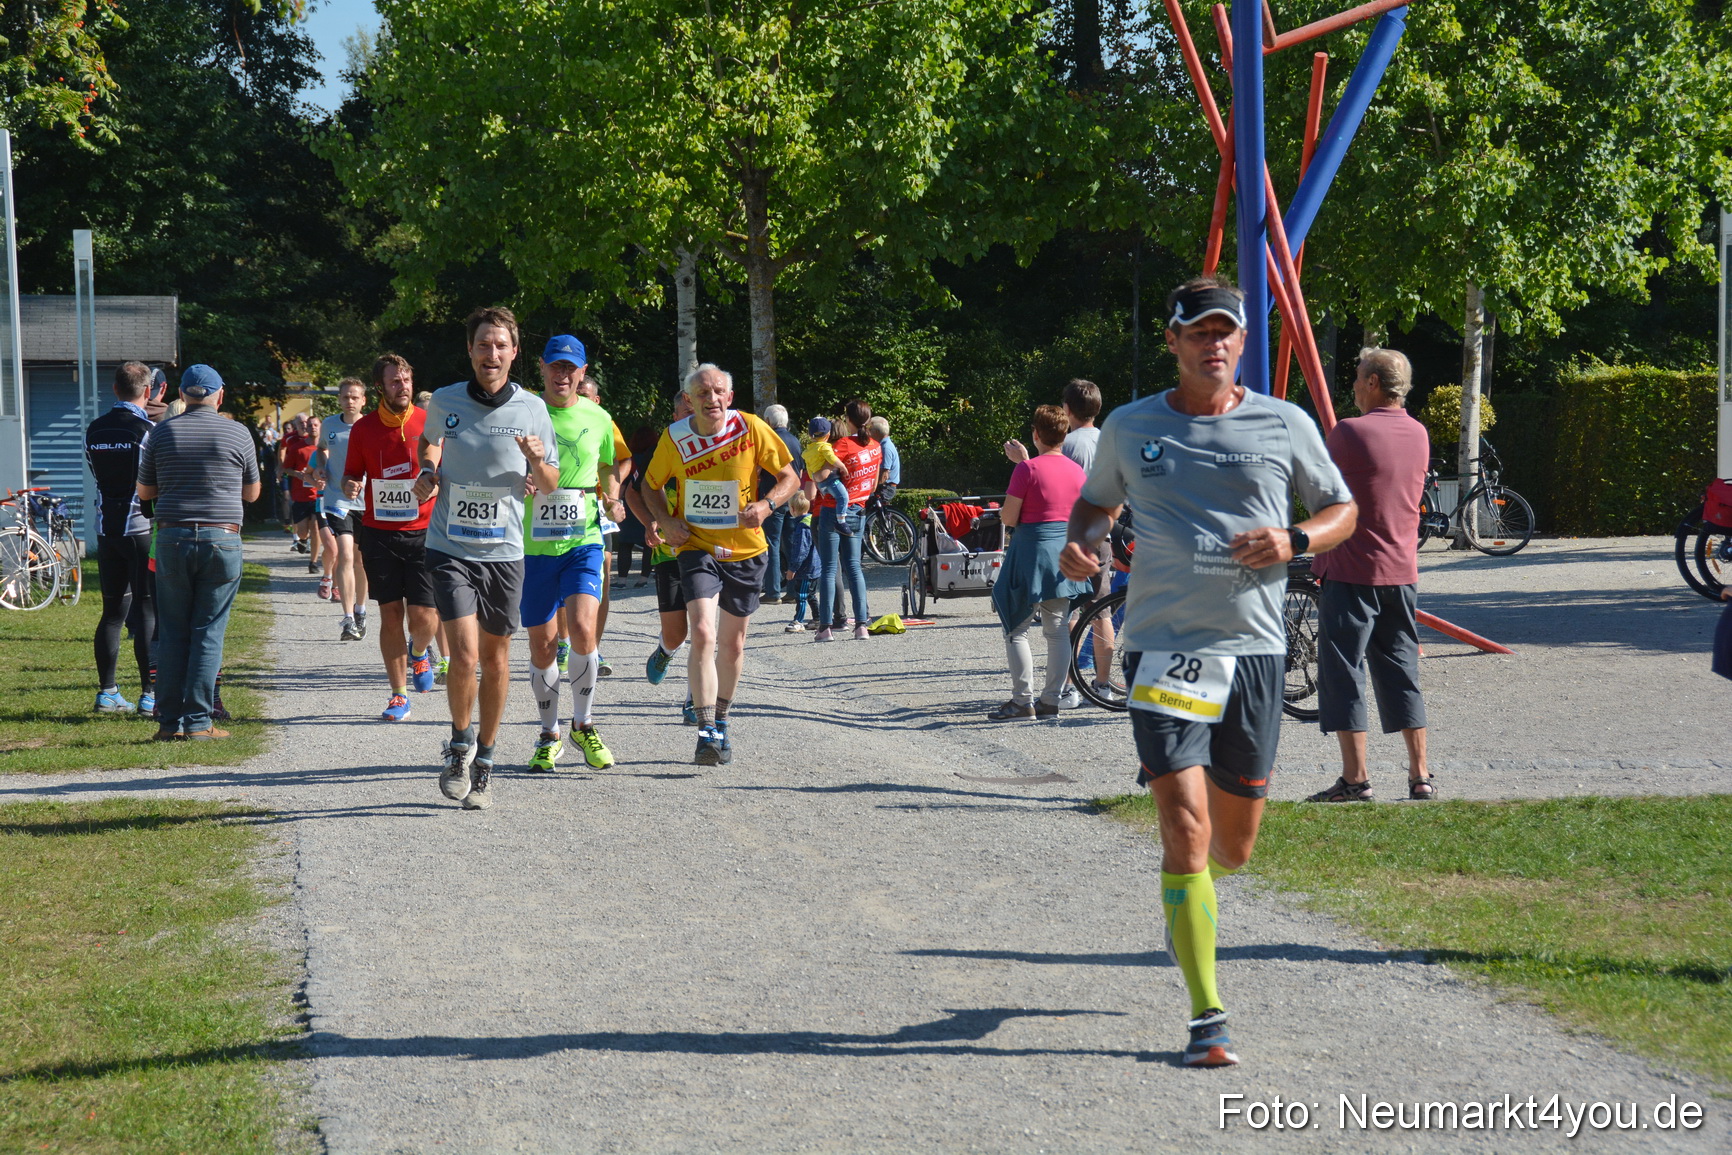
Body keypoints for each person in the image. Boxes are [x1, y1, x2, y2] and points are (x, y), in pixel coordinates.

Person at [1059, 277, 1356, 1067]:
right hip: (1164, 648)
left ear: (1242, 341)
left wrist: (1296, 539)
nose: (1214, 344)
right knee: (1183, 828)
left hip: (1254, 652)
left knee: (1234, 846)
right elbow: (1094, 506)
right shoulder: (1131, 426)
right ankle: (1207, 1013)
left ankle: (1195, 904)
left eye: (1226, 331)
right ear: (1174, 341)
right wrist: (1080, 539)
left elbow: (1342, 509)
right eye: (1199, 332)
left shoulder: (1283, 422)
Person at [413, 306, 559, 810]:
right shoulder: (447, 400)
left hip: (505, 552)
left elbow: (549, 484)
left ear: (514, 353)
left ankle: (487, 759)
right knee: (465, 655)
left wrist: (538, 461)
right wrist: (428, 473)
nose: (491, 354)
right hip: (449, 545)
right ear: (470, 351)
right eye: (482, 345)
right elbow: (431, 446)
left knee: (497, 660)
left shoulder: (533, 409)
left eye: (500, 345)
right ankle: (458, 744)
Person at [639, 364, 799, 764]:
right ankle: (706, 730)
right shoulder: (675, 437)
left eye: (718, 392)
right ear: (689, 401)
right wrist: (666, 520)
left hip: (745, 550)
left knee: (733, 644)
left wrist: (766, 505)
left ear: (729, 397)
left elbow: (790, 477)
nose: (711, 399)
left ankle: (723, 721)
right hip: (696, 547)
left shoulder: (750, 428)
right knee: (704, 633)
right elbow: (649, 486)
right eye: (702, 393)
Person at [1305, 348, 1435, 802]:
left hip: (1350, 569)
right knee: (1402, 668)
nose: (1355, 384)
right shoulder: (1419, 433)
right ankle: (1420, 775)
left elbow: (1320, 493)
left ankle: (1355, 779)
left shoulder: (1349, 432)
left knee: (1343, 672)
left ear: (1375, 383)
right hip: (1401, 570)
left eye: (1360, 377)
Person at [136, 364, 261, 741]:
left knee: (173, 631)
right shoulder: (238, 433)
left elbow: (144, 493)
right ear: (219, 395)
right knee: (208, 632)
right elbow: (253, 494)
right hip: (222, 539)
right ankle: (199, 722)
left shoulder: (160, 433)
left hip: (172, 537)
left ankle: (169, 723)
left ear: (182, 394)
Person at [521, 335, 624, 772]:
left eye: (571, 369)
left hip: (583, 537)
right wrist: (518, 478)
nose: (562, 375)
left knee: (583, 628)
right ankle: (550, 733)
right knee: (543, 646)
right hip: (532, 546)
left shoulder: (598, 417)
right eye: (555, 367)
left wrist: (613, 494)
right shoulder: (523, 413)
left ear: (582, 373)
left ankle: (584, 723)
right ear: (542, 367)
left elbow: (609, 464)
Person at [341, 353, 441, 722]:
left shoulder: (429, 422)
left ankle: (419, 653)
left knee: (425, 614)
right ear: (380, 387)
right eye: (395, 381)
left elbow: (450, 469)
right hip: (380, 534)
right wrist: (349, 483)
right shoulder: (363, 429)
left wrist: (435, 483)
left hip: (425, 532)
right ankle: (399, 695)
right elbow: (350, 474)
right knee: (390, 613)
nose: (403, 387)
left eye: (407, 380)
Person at [988, 404, 1091, 720]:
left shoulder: (1026, 470)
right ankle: (1051, 701)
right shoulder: (1077, 471)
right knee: (1058, 631)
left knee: (1016, 629)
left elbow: (1008, 517)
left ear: (1035, 434)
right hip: (1064, 555)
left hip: (1031, 553)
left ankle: (1022, 701)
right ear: (1064, 434)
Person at [85, 361, 163, 715]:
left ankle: (107, 692)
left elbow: (96, 472)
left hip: (107, 530)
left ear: (114, 389)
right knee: (146, 609)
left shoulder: (94, 429)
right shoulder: (148, 430)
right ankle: (149, 695)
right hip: (141, 530)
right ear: (148, 392)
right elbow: (153, 481)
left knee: (112, 613)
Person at [624, 390, 699, 723]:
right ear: (675, 416)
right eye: (686, 410)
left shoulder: (720, 446)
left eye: (697, 409)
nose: (692, 415)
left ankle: (696, 700)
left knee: (703, 629)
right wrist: (651, 521)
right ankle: (666, 651)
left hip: (707, 550)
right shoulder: (661, 450)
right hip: (669, 553)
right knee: (677, 633)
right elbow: (632, 491)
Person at [573, 373, 631, 678]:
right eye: (577, 392)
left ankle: (594, 646)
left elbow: (624, 460)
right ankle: (563, 643)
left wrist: (610, 494)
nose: (579, 396)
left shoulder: (604, 421)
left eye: (585, 394)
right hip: (562, 507)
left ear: (596, 400)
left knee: (604, 577)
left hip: (598, 506)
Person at [812, 400, 882, 641]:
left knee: (830, 569)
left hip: (833, 511)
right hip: (859, 510)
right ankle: (861, 625)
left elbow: (820, 475)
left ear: (847, 419)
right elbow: (873, 484)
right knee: (854, 567)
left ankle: (825, 628)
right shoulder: (875, 446)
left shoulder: (841, 444)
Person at [317, 377, 372, 640]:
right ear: (339, 399)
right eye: (345, 397)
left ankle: (361, 611)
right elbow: (321, 450)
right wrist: (319, 467)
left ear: (363, 401)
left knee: (361, 561)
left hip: (367, 502)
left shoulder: (372, 426)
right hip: (338, 499)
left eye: (354, 397)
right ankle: (348, 618)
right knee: (345, 554)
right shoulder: (329, 425)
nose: (349, 401)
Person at [1004, 378, 1101, 473]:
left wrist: (1024, 461)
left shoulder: (1063, 445)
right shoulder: (1108, 441)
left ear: (1066, 408)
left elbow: (1045, 483)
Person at [758, 404, 804, 602]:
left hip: (773, 497)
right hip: (792, 498)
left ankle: (773, 591)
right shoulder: (795, 441)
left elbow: (758, 470)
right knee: (792, 544)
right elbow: (800, 471)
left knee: (772, 545)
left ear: (768, 421)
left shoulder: (769, 440)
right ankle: (792, 592)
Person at [801, 418, 855, 534]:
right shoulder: (851, 453)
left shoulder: (816, 455)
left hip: (822, 513)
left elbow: (809, 495)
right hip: (851, 511)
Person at [279, 415, 320, 563]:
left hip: (319, 496)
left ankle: (313, 562)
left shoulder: (326, 447)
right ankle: (303, 539)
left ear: (320, 427)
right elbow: (287, 468)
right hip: (301, 496)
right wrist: (296, 473)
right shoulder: (297, 447)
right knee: (302, 531)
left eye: (315, 425)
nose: (312, 428)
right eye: (310, 426)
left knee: (316, 528)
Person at [780, 490, 820, 631]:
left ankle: (798, 621)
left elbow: (800, 550)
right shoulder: (811, 521)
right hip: (815, 566)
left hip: (805, 568)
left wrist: (793, 568)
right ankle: (817, 619)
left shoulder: (802, 527)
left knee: (801, 595)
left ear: (792, 509)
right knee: (811, 594)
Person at [865, 415, 900, 507]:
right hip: (886, 487)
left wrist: (873, 489)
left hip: (886, 488)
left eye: (870, 430)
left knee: (868, 507)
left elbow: (884, 474)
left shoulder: (885, 447)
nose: (868, 433)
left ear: (876, 432)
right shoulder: (885, 444)